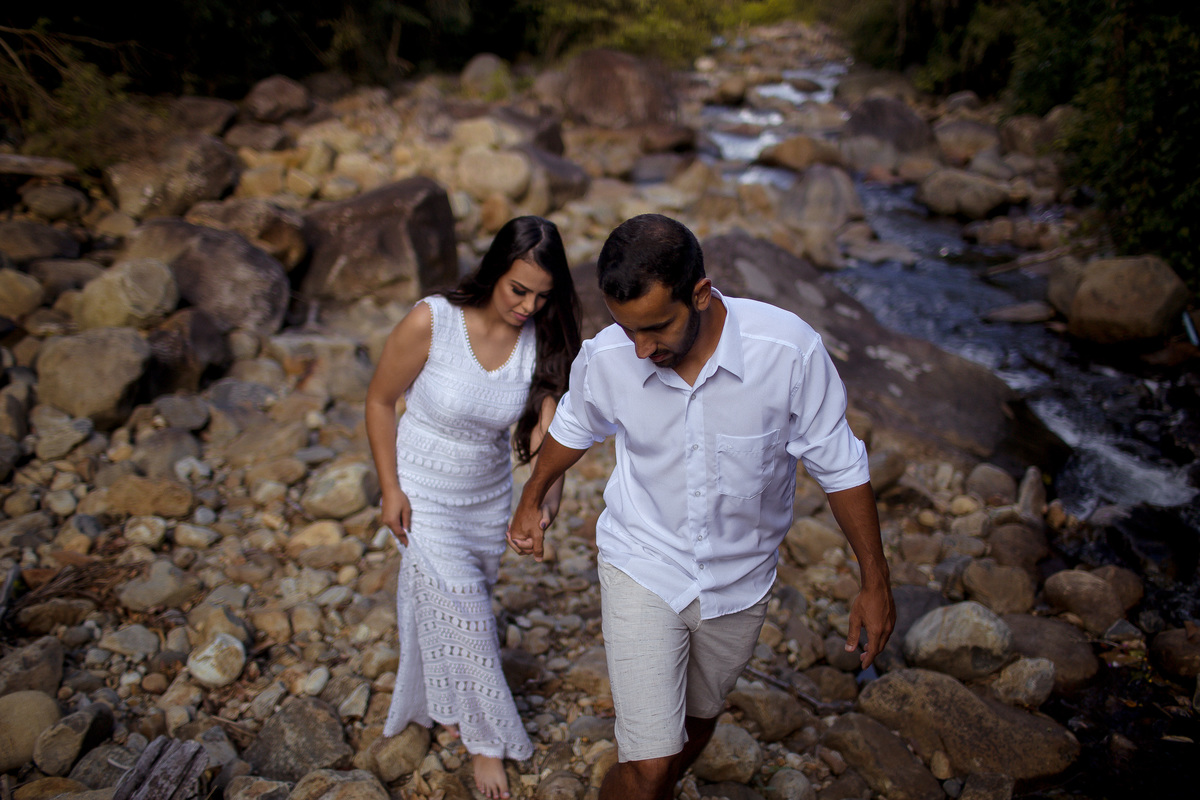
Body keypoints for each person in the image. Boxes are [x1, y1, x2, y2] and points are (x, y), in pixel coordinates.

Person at [508, 214, 895, 800]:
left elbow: (840, 467)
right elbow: (575, 425)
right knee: (650, 765)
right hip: (642, 563)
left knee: (697, 724)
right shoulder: (608, 357)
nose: (642, 349)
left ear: (701, 293)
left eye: (656, 328)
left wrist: (875, 580)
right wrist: (532, 496)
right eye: (628, 329)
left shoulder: (787, 353)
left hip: (740, 583)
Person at [366, 216, 582, 799]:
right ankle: (488, 741)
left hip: (486, 499)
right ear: (494, 272)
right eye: (519, 290)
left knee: (451, 605)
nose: (529, 306)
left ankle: (435, 700)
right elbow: (380, 401)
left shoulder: (540, 343)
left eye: (543, 296)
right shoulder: (432, 320)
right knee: (467, 611)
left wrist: (542, 508)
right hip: (421, 491)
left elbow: (547, 443)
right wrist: (390, 488)